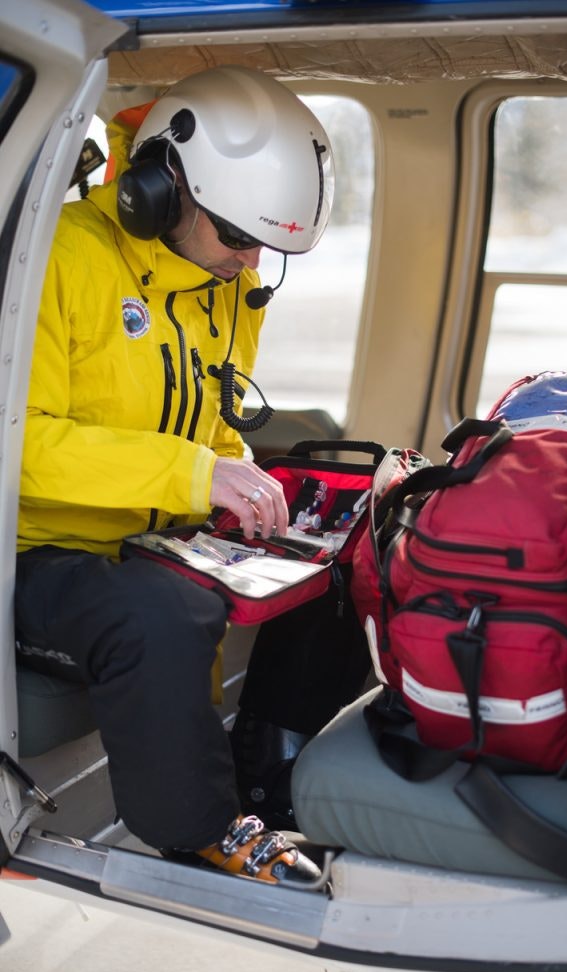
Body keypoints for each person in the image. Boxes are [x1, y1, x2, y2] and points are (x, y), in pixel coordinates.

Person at [14, 66, 336, 885]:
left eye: (266, 245)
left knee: (336, 561)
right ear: (160, 190)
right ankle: (200, 831)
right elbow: (18, 447)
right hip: (36, 550)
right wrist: (196, 473)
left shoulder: (228, 283)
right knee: (161, 615)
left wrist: (240, 477)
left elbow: (213, 416)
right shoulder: (56, 261)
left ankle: (279, 777)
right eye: (237, 236)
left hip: (154, 530)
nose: (251, 258)